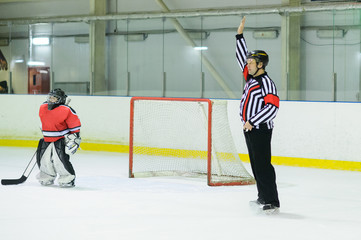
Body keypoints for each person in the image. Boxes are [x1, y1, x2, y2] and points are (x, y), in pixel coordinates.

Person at [236, 17, 280, 213]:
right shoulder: (250, 79)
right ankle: (262, 197)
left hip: (260, 130)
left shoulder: (266, 83)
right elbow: (240, 58)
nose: (248, 64)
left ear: (260, 64)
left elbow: (272, 108)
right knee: (256, 166)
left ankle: (272, 201)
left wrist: (252, 121)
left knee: (263, 166)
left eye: (251, 61)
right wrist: (239, 36)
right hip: (250, 129)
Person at [36, 88, 81, 187]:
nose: (51, 100)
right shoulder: (43, 107)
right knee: (44, 160)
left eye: (54, 98)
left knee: (60, 161)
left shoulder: (67, 110)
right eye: (50, 97)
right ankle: (46, 177)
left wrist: (75, 138)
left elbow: (74, 126)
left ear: (60, 99)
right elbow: (44, 120)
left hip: (60, 140)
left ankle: (67, 179)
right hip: (46, 139)